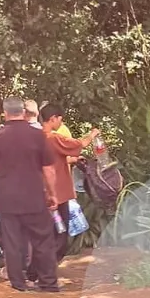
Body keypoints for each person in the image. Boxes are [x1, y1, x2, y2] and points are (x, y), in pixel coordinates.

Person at [0, 96, 60, 292]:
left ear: (5, 113)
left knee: (13, 242)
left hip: (7, 198)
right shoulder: (38, 136)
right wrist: (52, 194)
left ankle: (18, 284)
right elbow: (49, 170)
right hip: (34, 197)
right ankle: (49, 283)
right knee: (43, 240)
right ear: (24, 112)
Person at [36, 104, 99, 264]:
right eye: (60, 120)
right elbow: (81, 144)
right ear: (53, 119)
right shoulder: (53, 138)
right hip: (57, 194)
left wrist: (73, 159)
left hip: (39, 193)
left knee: (45, 234)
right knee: (60, 236)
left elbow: (56, 158)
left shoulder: (36, 138)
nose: (61, 124)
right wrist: (93, 134)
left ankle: (35, 271)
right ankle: (44, 270)